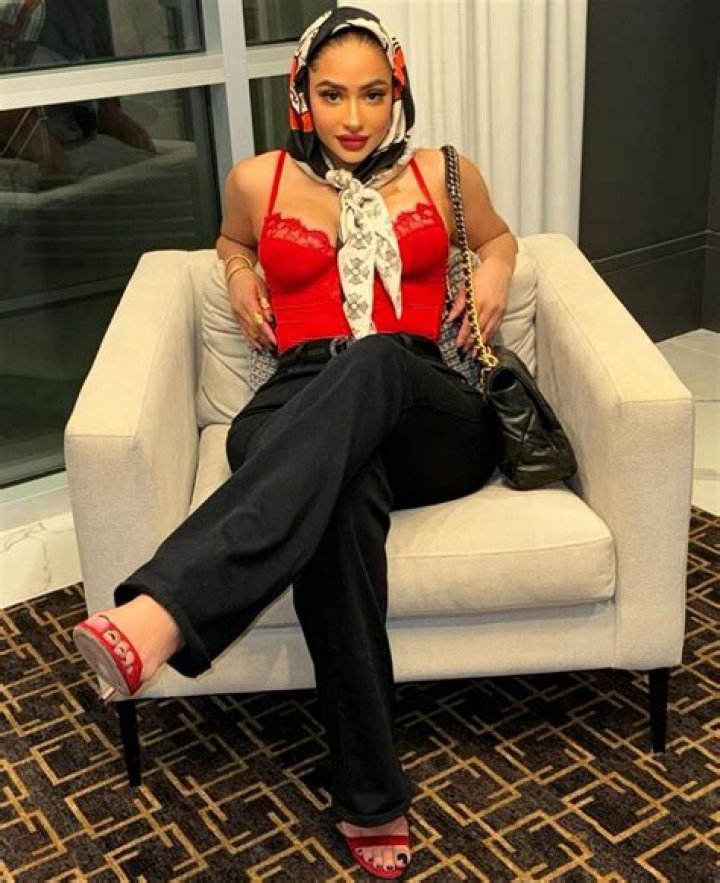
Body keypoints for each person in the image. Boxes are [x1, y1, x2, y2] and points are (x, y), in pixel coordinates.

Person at [72, 7, 517, 878]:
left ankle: (164, 608)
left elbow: (496, 237)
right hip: (296, 402)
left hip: (425, 406)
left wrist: (495, 269)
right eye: (333, 94)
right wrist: (239, 272)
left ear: (398, 93)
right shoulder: (256, 180)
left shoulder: (446, 172)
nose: (354, 117)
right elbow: (231, 239)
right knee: (340, 504)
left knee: (378, 356)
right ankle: (371, 797)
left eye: (374, 94)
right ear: (302, 96)